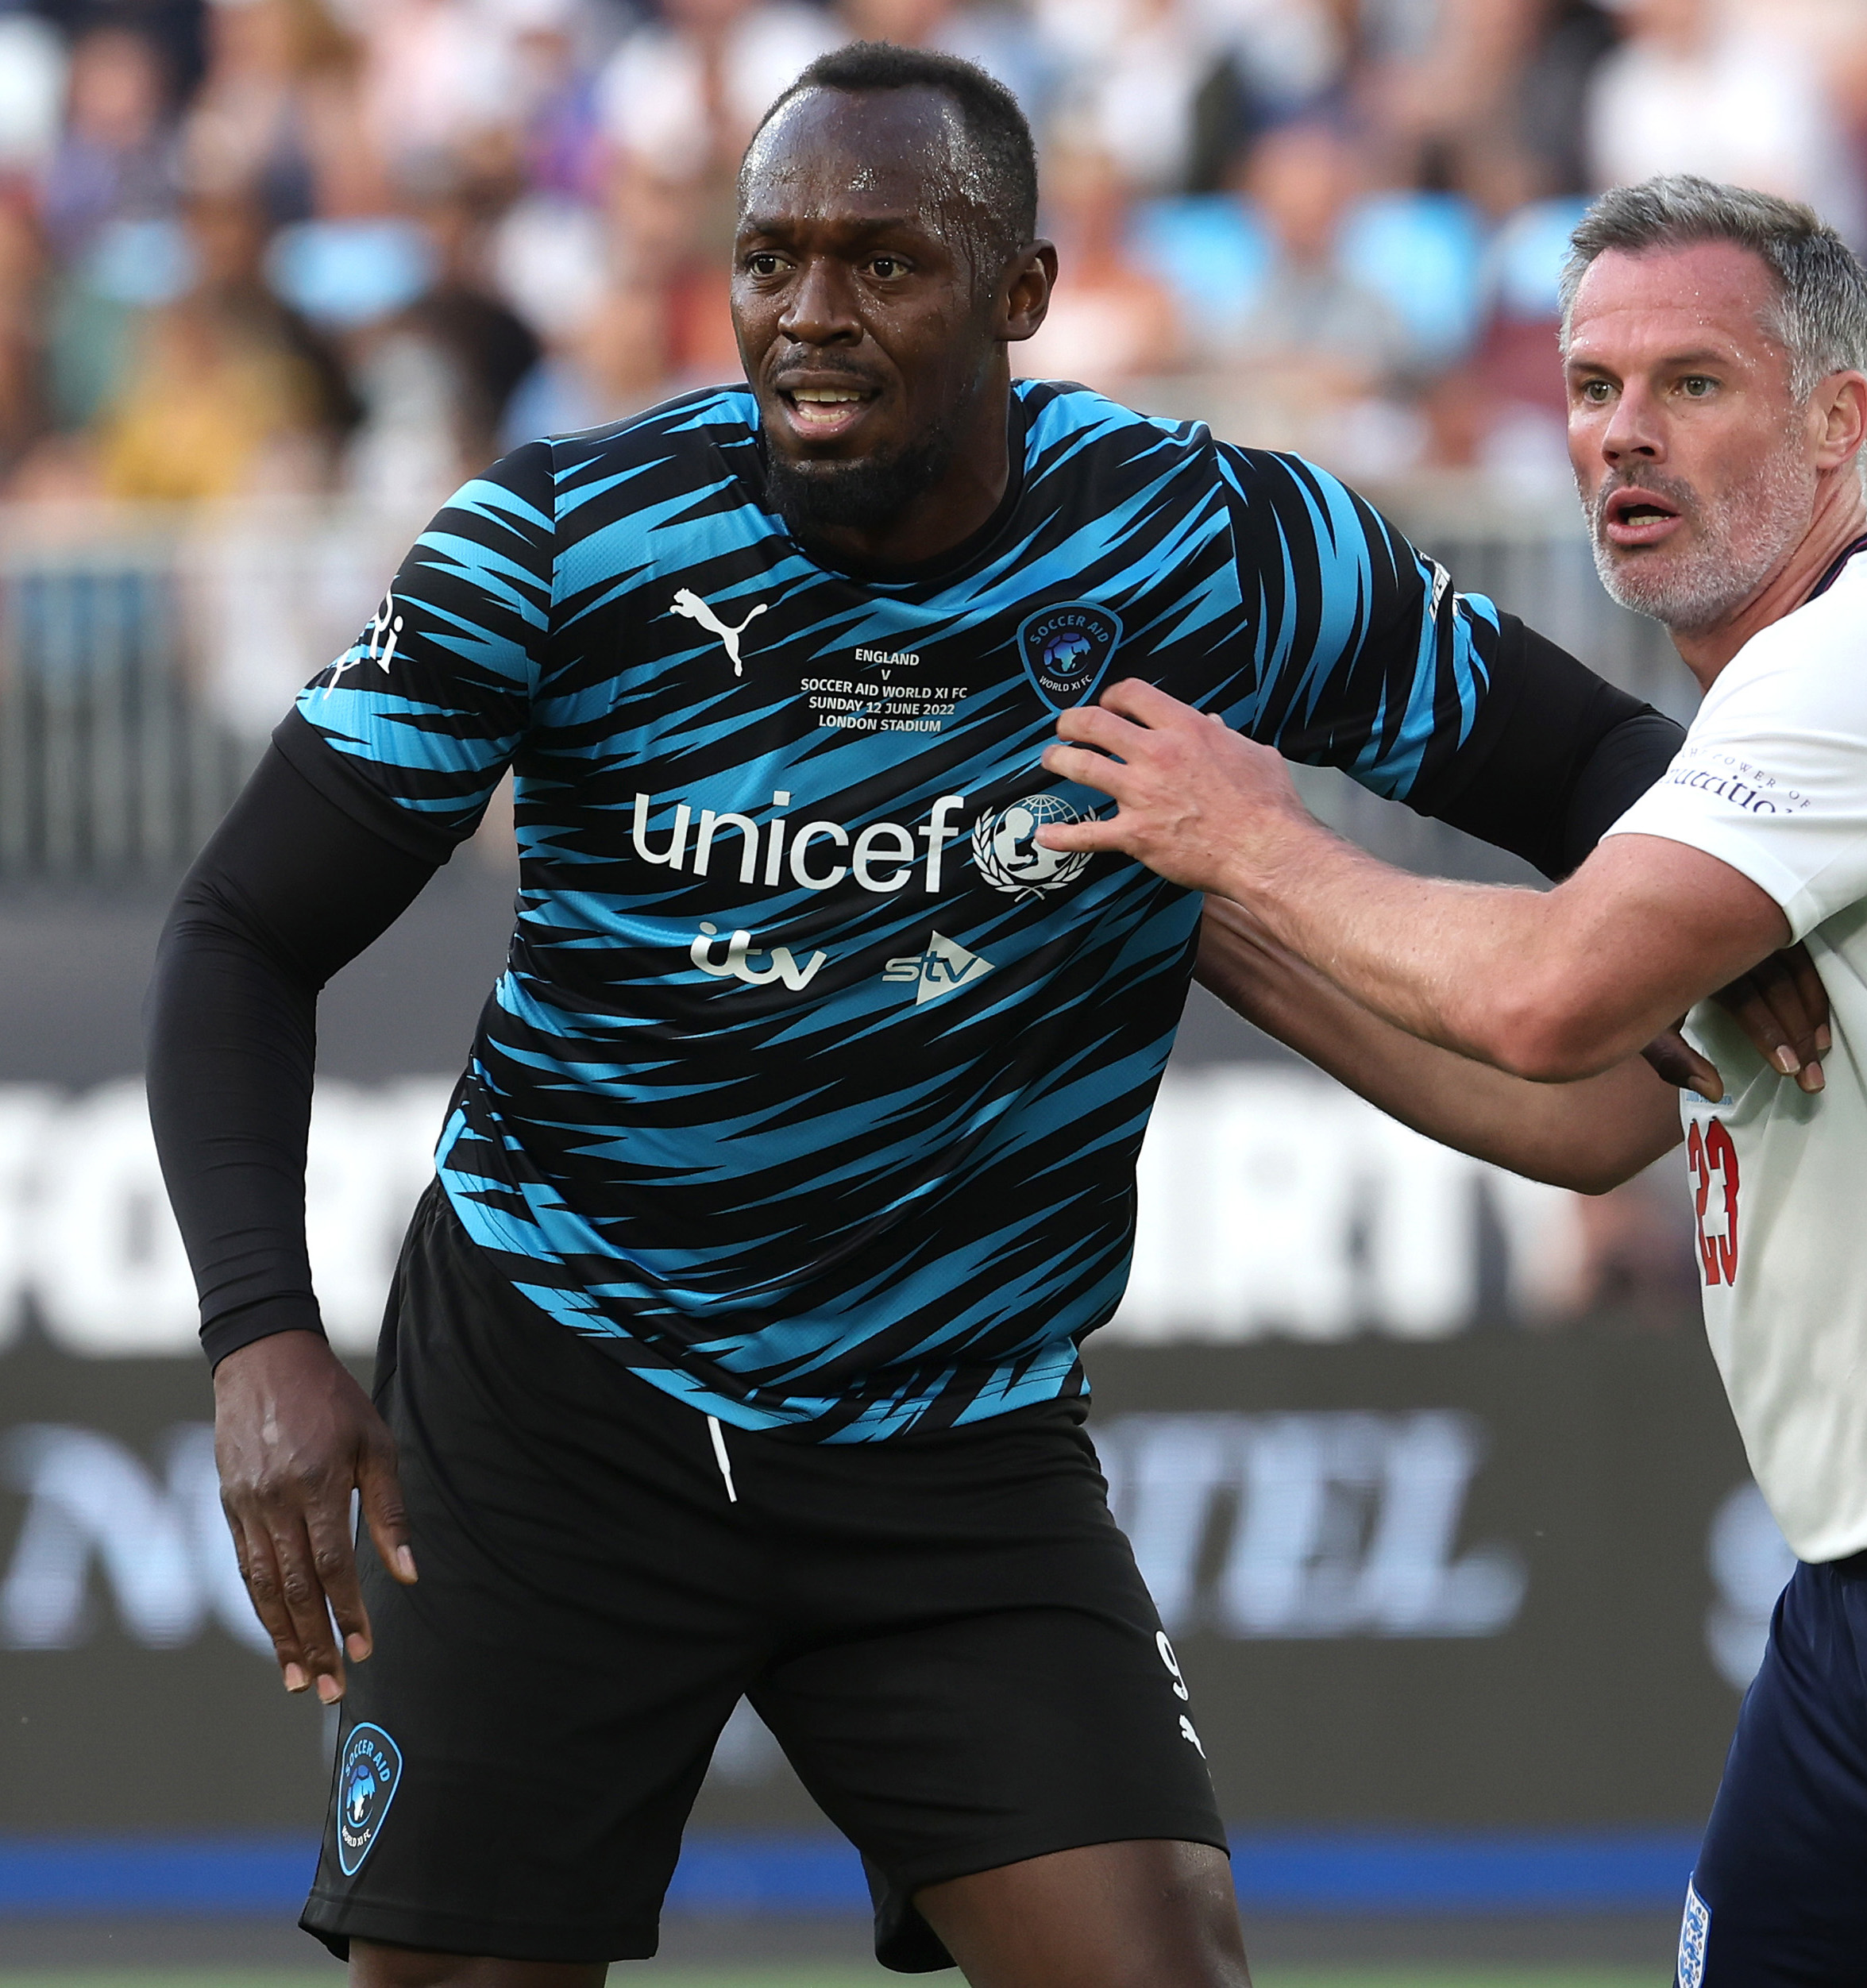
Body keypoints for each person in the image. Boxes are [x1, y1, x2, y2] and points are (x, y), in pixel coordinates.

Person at [145, 44, 1699, 1987]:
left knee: (1168, 1973)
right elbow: (235, 928)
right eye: (773, 257)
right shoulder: (561, 544)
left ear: (1025, 293)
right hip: (562, 1401)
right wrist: (258, 1337)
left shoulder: (1207, 550)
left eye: (884, 264)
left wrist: (1764, 923)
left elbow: (1609, 770)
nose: (811, 315)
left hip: (952, 1428)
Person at [1038, 174, 1867, 1987]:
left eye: (1693, 384)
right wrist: (1208, 920)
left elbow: (1550, 1001)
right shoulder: (1785, 708)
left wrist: (1251, 845)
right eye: (1592, 389)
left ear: (1840, 421)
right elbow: (1592, 1118)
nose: (1622, 437)